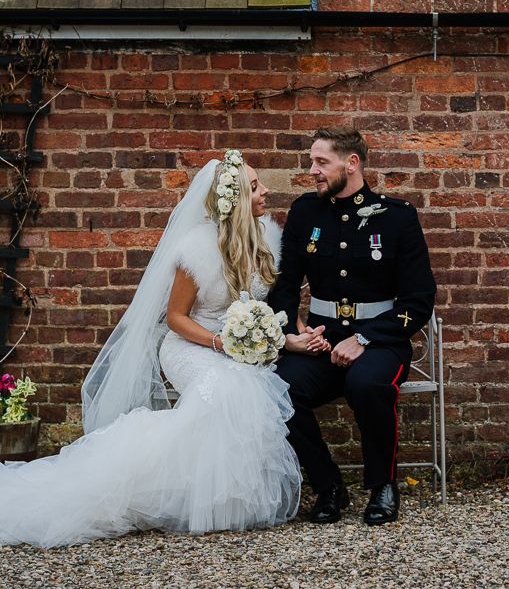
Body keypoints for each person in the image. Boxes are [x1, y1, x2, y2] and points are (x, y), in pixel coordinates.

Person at [0, 151, 305, 548]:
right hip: (190, 346)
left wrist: (280, 331)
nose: (265, 190)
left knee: (247, 387)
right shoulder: (196, 249)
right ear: (233, 200)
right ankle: (144, 483)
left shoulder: (267, 238)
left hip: (234, 347)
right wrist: (221, 342)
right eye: (254, 186)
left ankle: (230, 501)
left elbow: (272, 300)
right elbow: (176, 318)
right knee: (228, 390)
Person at [269, 126, 436, 526]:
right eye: (312, 161)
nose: (312, 170)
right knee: (278, 389)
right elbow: (286, 285)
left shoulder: (397, 218)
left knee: (367, 384)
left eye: (321, 162)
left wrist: (364, 338)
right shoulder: (305, 212)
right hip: (322, 340)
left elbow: (418, 300)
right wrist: (291, 333)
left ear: (352, 163)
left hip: (381, 341)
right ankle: (328, 487)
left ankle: (382, 486)